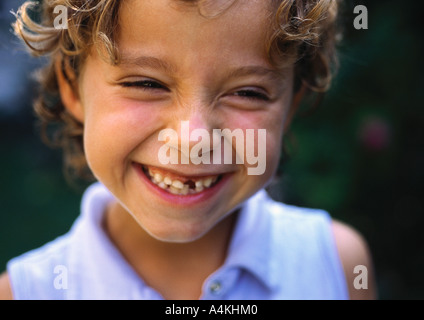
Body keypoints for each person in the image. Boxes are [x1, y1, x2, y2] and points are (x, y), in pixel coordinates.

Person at [0, 0, 376, 300]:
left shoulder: (337, 267)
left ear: (290, 106)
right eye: (147, 83)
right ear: (72, 87)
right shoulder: (24, 293)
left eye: (247, 92)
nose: (193, 139)